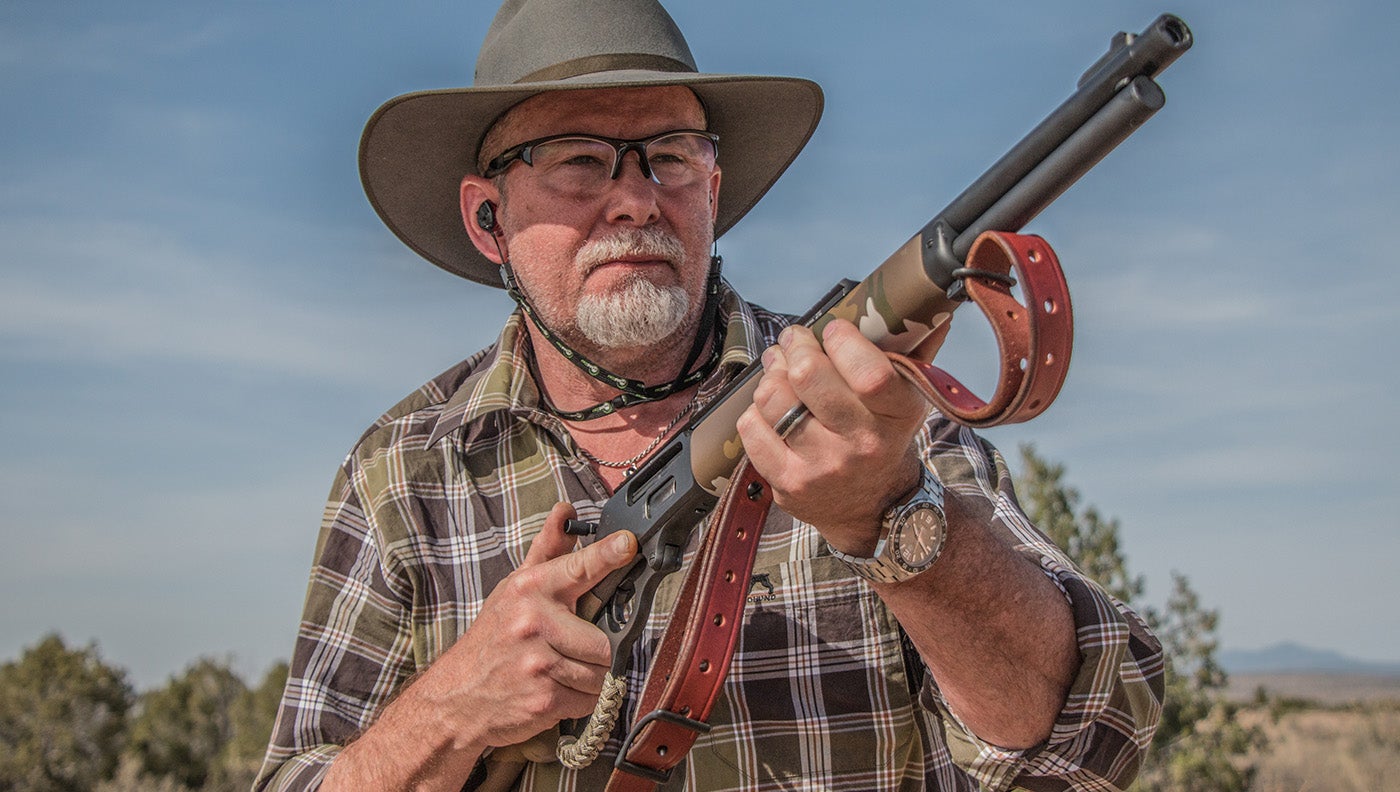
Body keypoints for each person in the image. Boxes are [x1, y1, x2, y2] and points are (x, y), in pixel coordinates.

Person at [256, 0, 1164, 789]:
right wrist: (451, 712)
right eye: (579, 159)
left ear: (714, 188)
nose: (637, 199)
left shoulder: (871, 410)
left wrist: (892, 518)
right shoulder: (404, 469)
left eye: (672, 157)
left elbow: (1093, 742)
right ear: (487, 219)